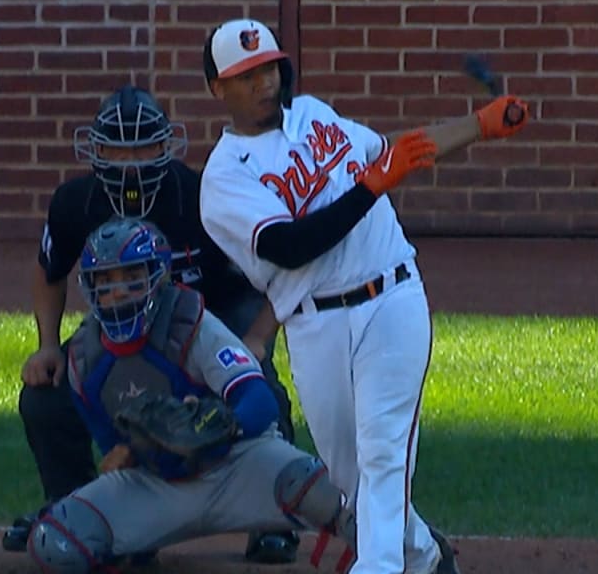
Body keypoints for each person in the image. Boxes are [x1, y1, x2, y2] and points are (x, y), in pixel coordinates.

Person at [198, 19, 531, 574]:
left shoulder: (314, 115)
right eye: (245, 75)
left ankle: (378, 567)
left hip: (391, 300)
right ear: (218, 89)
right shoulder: (224, 179)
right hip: (313, 325)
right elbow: (289, 246)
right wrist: (373, 184)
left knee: (382, 452)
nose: (263, 84)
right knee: (352, 480)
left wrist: (479, 125)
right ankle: (425, 556)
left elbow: (394, 152)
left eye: (268, 69)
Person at [4, 84, 299, 563]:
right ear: (95, 150)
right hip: (121, 326)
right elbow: (49, 269)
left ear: (167, 146)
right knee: (46, 395)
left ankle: (275, 519)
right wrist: (47, 345)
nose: (130, 161)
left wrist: (257, 338)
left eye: (143, 146)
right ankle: (78, 509)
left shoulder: (205, 196)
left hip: (206, 318)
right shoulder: (74, 202)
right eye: (117, 148)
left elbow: (278, 271)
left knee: (256, 386)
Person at [26, 218, 358, 573]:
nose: (118, 291)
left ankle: (412, 550)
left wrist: (213, 424)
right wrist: (131, 452)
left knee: (323, 492)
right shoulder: (82, 358)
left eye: (131, 277)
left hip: (234, 466)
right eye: (105, 282)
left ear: (158, 277)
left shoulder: (192, 323)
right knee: (56, 542)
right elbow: (115, 450)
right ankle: (135, 548)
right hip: (158, 484)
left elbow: (259, 402)